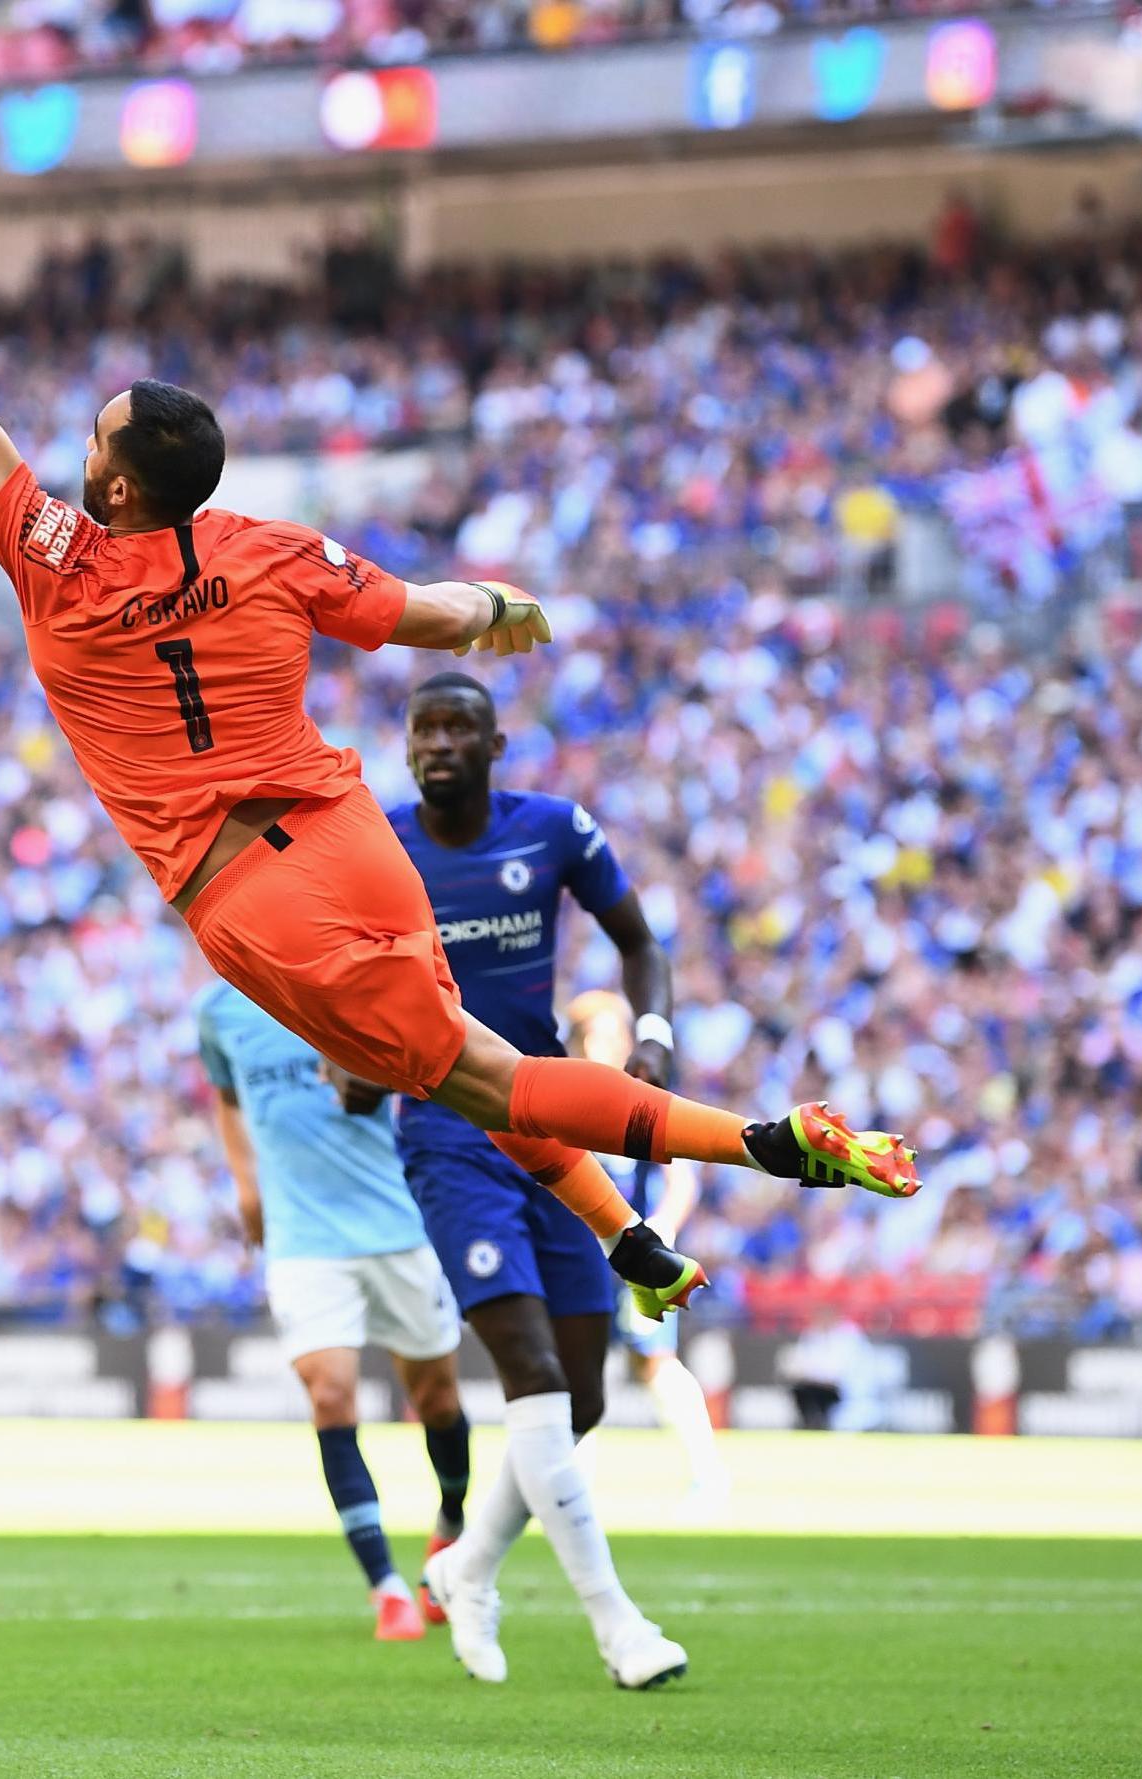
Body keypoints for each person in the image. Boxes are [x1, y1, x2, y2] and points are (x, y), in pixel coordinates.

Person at [0, 84, 915, 1468]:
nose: (75, 442)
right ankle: (627, 1232)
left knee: (496, 1083)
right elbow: (443, 613)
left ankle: (761, 1142)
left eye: (91, 438)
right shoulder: (272, 548)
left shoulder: (58, 562)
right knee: (463, 1068)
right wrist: (519, 607)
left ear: (113, 491)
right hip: (347, 834)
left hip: (253, 902)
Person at [384, 670, 688, 1688]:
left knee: (585, 1399)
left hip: (550, 1124)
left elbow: (639, 942)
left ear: (494, 744)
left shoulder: (553, 829)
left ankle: (467, 1565)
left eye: (457, 727)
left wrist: (650, 1035)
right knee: (536, 1379)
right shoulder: (379, 845)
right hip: (445, 1131)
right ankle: (619, 1628)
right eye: (423, 727)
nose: (437, 743)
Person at [196, 981, 472, 1642]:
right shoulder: (218, 1011)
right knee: (329, 1394)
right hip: (302, 1240)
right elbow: (227, 1096)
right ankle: (386, 1590)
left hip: (398, 1226)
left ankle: (451, 1527)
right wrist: (245, 1184)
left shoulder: (343, 987)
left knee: (435, 1399)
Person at [566, 989, 730, 1504]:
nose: (607, 1046)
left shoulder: (636, 1093)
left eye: (615, 1036)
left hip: (629, 1251)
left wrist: (666, 1225)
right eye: (597, 1035)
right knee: (578, 1363)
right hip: (576, 1252)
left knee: (655, 1363)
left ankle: (707, 1474)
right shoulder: (557, 1092)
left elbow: (679, 1171)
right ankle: (573, 1489)